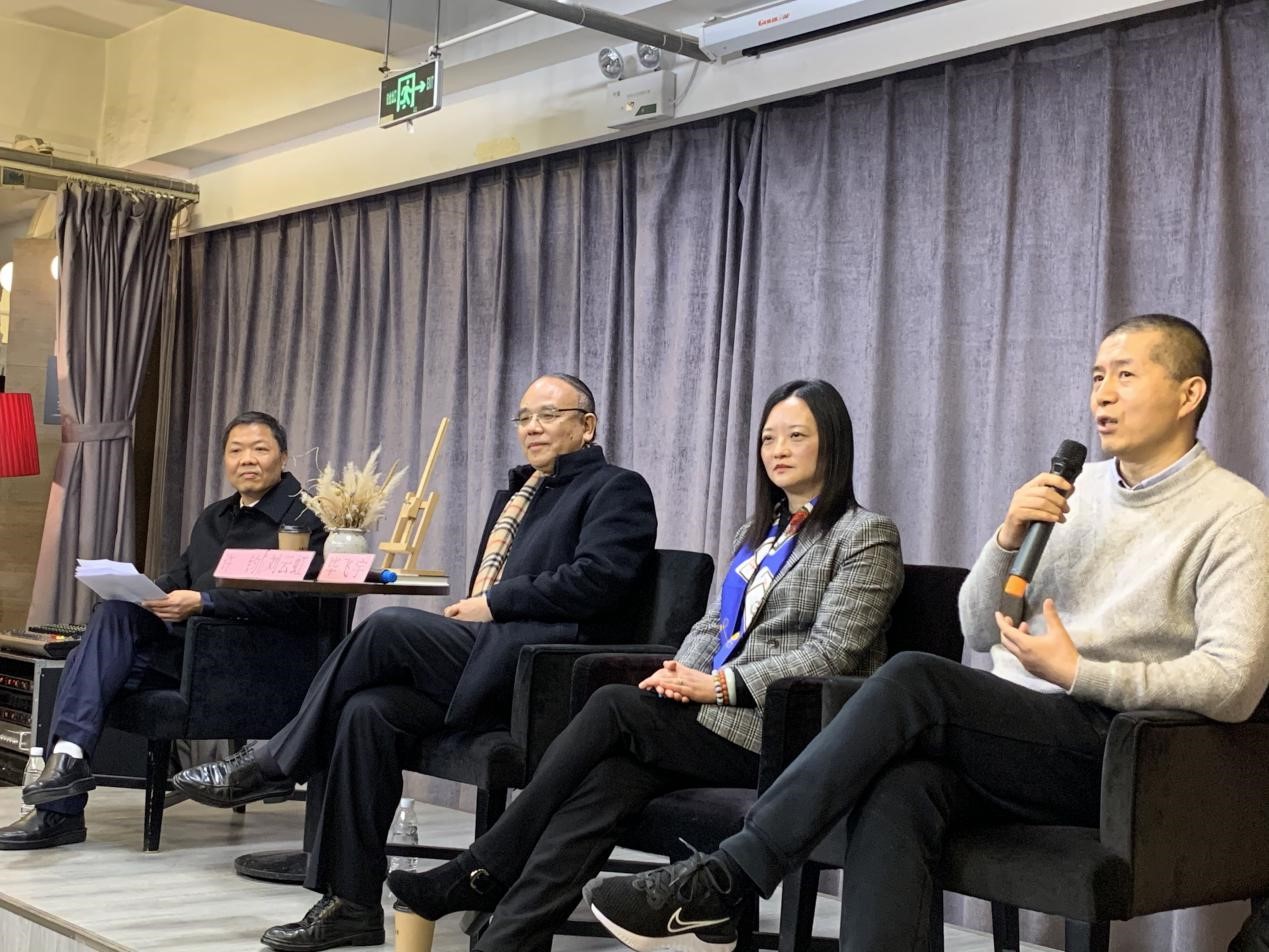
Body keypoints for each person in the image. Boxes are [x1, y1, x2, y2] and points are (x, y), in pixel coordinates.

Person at [587, 314, 1269, 952]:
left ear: (1188, 394)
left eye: (1125, 375)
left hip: (1121, 749)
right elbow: (976, 625)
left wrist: (1081, 672)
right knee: (902, 788)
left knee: (916, 675)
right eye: (1096, 376)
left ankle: (727, 876)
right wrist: (1007, 537)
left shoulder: (1235, 515)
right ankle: (725, 886)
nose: (1103, 394)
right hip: (1024, 731)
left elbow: (1233, 684)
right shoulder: (1073, 490)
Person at [386, 378, 904, 952]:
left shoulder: (865, 535)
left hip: (790, 733)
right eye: (767, 438)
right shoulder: (758, 534)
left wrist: (717, 686)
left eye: (796, 436)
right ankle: (506, 941)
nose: (777, 450)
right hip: (716, 723)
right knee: (608, 782)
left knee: (613, 703)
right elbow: (712, 626)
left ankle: (482, 866)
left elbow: (831, 652)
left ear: (833, 442)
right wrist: (678, 675)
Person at [174, 373, 658, 952]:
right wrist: (484, 609)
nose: (532, 427)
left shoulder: (617, 488)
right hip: (488, 656)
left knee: (388, 626)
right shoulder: (521, 494)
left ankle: (274, 762)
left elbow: (601, 579)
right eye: (524, 417)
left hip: (541, 673)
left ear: (587, 425)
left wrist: (495, 602)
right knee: (366, 711)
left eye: (548, 415)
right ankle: (351, 906)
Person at [0, 411, 326, 851]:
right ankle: (66, 772)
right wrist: (141, 592)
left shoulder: (307, 518)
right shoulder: (214, 517)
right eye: (236, 450)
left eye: (260, 449)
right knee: (113, 617)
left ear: (283, 457)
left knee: (84, 663)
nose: (247, 459)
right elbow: (177, 578)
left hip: (248, 664)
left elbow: (299, 603)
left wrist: (204, 601)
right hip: (186, 653)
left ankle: (60, 805)